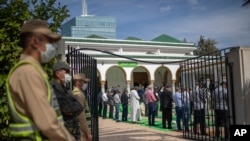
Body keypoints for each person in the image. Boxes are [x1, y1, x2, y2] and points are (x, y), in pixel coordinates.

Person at [6, 19, 74, 141]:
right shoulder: (28, 73)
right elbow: (47, 123)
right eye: (49, 41)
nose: (53, 46)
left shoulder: (32, 71)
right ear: (35, 42)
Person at [51, 61, 84, 140]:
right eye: (66, 72)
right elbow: (67, 109)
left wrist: (74, 108)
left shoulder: (65, 89)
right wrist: (74, 108)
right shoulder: (54, 89)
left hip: (72, 132)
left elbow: (80, 106)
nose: (68, 75)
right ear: (58, 73)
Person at [72, 73, 93, 141]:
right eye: (84, 82)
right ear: (79, 82)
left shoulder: (79, 93)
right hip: (82, 131)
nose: (85, 84)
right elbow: (81, 115)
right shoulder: (78, 95)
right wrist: (87, 133)